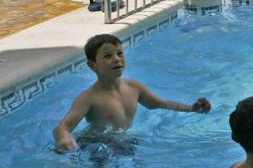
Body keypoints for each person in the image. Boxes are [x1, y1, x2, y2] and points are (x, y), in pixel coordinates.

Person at [52, 34, 211, 152]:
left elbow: (161, 103)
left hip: (122, 141)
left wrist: (191, 108)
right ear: (92, 65)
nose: (116, 59)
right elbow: (62, 127)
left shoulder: (134, 87)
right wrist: (64, 138)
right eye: (108, 56)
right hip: (94, 144)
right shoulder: (89, 97)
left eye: (120, 53)